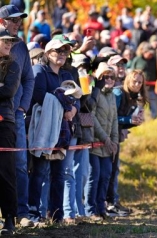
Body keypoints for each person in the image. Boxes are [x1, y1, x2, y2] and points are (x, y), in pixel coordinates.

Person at [28, 38, 79, 223]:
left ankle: (56, 215)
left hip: (63, 129)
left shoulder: (68, 75)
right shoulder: (39, 71)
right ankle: (33, 214)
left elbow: (77, 98)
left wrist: (74, 109)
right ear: (48, 53)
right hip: (44, 127)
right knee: (39, 172)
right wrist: (65, 108)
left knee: (59, 174)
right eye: (58, 51)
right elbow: (40, 96)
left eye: (65, 51)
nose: (62, 54)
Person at [0, 4, 36, 228]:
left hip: (13, 115)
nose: (17, 24)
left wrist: (22, 107)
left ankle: (20, 213)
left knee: (18, 166)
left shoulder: (21, 47)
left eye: (19, 20)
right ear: (2, 21)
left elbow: (28, 79)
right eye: (13, 20)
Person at [107, 70, 148, 217]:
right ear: (128, 80)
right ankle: (108, 204)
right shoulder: (119, 93)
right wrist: (129, 120)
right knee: (108, 172)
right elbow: (111, 118)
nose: (137, 84)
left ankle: (112, 202)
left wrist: (134, 121)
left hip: (115, 137)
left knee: (113, 171)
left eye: (140, 82)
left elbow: (121, 122)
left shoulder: (133, 97)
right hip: (107, 137)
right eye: (134, 81)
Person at [85, 62, 119, 221]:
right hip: (94, 142)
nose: (110, 79)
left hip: (107, 145)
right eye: (106, 76)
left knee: (106, 175)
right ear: (99, 77)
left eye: (112, 76)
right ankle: (90, 210)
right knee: (94, 176)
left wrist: (115, 142)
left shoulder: (112, 95)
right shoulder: (95, 92)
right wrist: (105, 138)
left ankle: (101, 208)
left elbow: (114, 121)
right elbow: (91, 117)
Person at [0, 28, 21, 235]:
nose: (9, 43)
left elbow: (8, 91)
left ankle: (9, 219)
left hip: (4, 123)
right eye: (5, 40)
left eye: (11, 41)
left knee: (6, 172)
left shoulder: (13, 65)